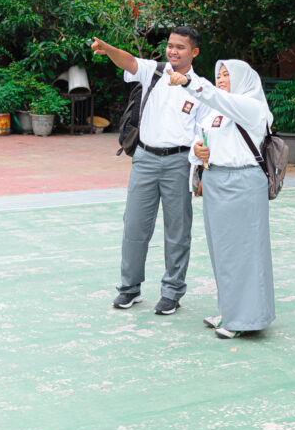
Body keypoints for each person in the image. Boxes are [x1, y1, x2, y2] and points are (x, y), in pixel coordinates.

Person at [91, 27, 207, 315]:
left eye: (180, 47)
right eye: (170, 45)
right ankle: (129, 288)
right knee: (134, 226)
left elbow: (203, 133)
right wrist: (108, 50)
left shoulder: (201, 88)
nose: (173, 51)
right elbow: (129, 61)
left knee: (177, 230)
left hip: (179, 162)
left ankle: (172, 292)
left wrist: (201, 161)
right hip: (144, 158)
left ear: (194, 52)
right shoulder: (154, 72)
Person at [169, 59, 276, 339]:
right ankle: (230, 311)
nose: (221, 78)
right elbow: (199, 141)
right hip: (215, 181)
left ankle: (246, 319)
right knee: (223, 252)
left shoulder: (251, 107)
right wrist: (198, 151)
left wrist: (190, 82)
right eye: (219, 74)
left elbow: (216, 97)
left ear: (244, 79)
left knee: (245, 253)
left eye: (227, 74)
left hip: (243, 183)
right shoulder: (215, 111)